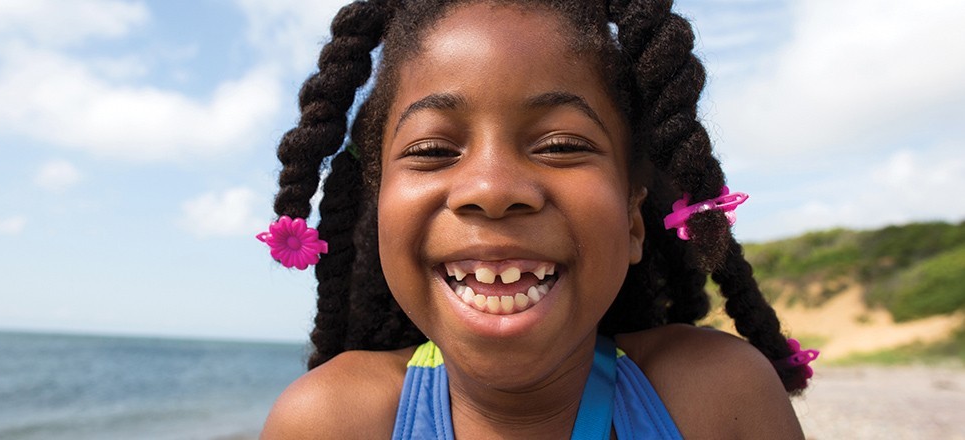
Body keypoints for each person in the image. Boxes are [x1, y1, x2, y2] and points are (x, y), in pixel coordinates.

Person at [258, 0, 818, 438]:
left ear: (632, 221)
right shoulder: (328, 422)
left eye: (560, 144)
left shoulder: (718, 398)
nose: (493, 190)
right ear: (375, 214)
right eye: (432, 150)